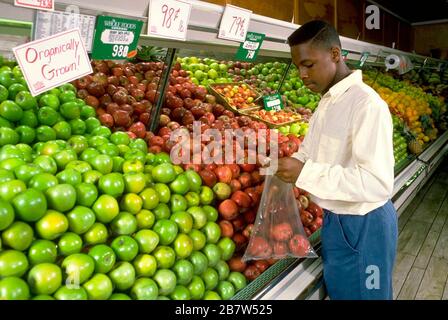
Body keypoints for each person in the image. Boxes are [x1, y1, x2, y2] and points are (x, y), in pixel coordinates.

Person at [275, 20, 398, 300]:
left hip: (365, 224)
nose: (302, 74)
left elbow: (377, 183)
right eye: (297, 67)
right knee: (345, 293)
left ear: (334, 54)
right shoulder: (328, 100)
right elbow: (310, 151)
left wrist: (304, 173)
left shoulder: (367, 105)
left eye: (308, 64)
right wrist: (284, 166)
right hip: (336, 221)